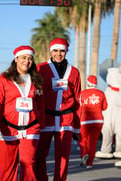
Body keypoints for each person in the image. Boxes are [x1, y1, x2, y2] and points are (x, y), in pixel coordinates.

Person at [0, 45, 45, 181]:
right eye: (23, 58)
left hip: (31, 128)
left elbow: (41, 104)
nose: (27, 61)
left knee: (29, 164)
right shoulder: (4, 78)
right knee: (8, 168)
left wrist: (42, 124)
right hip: (8, 128)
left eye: (30, 59)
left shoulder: (37, 80)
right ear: (16, 59)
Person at [35, 38, 81, 181]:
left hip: (66, 119)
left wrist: (78, 127)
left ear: (66, 52)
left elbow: (78, 98)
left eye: (62, 51)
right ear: (51, 51)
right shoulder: (41, 68)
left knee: (63, 157)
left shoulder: (74, 72)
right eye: (55, 50)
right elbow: (34, 95)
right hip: (46, 118)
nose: (58, 54)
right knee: (39, 155)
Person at [78, 75, 108, 168]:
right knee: (93, 142)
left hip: (85, 121)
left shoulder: (82, 93)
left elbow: (79, 108)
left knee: (83, 140)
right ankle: (90, 163)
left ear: (87, 83)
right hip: (98, 120)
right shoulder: (101, 93)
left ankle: (84, 154)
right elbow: (105, 107)